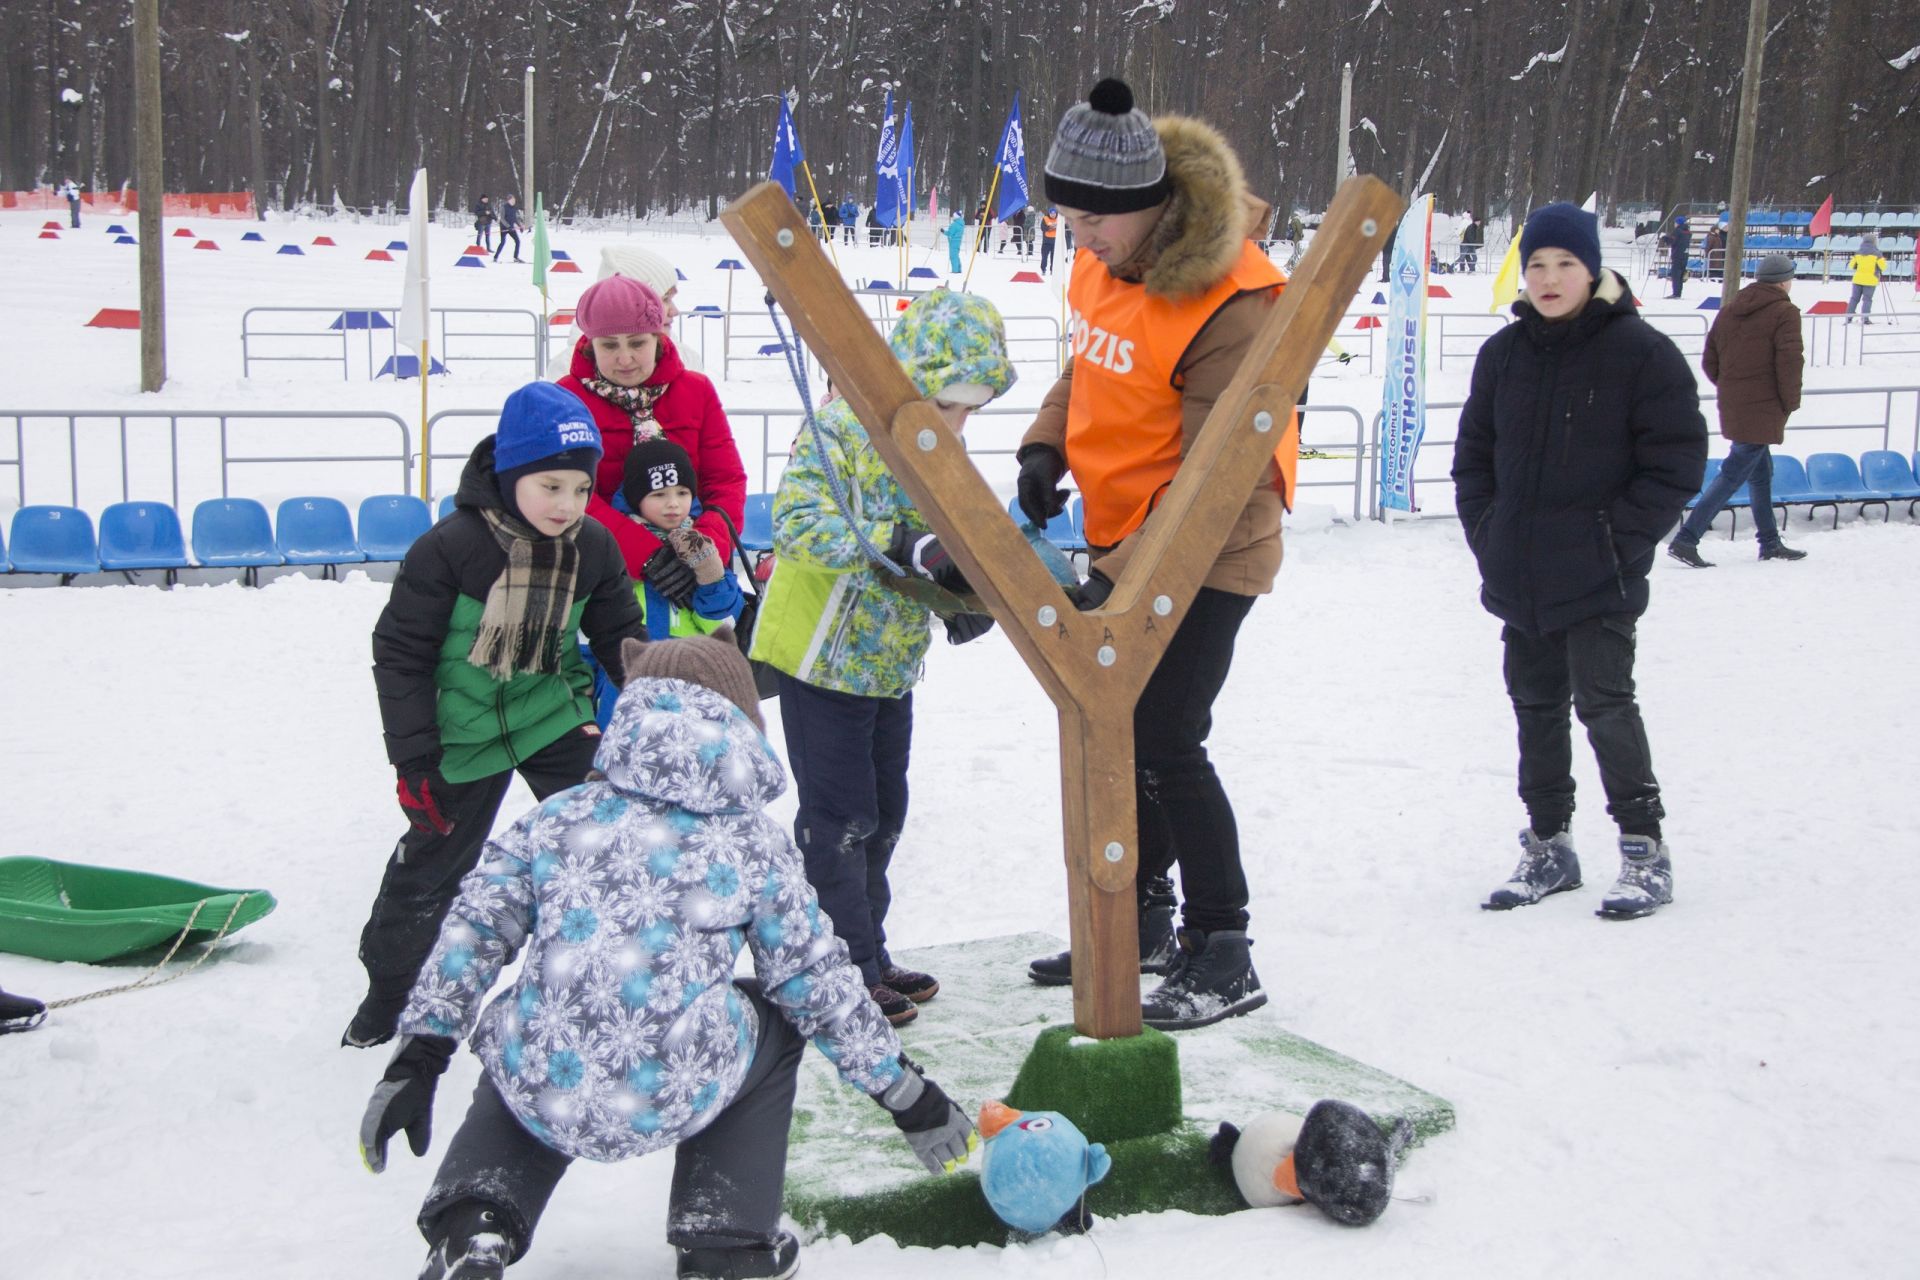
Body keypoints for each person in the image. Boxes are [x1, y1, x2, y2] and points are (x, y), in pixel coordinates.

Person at [357, 631, 978, 1280]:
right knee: (778, 1009)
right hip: (680, 1084)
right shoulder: (753, 845)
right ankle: (727, 1243)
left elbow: (474, 933)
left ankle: (475, 1222)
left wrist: (421, 1053)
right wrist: (905, 1092)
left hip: (546, 1088)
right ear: (742, 720)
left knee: (532, 1021)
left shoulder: (558, 818)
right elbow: (814, 980)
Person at [1015, 77, 1294, 1030]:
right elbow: (1086, 359)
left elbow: (1219, 477)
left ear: (1148, 208)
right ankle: (1139, 922)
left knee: (1167, 736)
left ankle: (1224, 944)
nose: (1077, 236)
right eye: (1066, 216)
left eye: (1093, 219)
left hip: (1214, 546)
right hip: (1128, 537)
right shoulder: (1105, 263)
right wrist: (1047, 445)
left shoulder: (1234, 303)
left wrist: (1118, 575)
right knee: (1120, 737)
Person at [345, 382, 652, 1048]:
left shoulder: (593, 544)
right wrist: (414, 758)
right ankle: (387, 994)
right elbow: (399, 653)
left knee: (602, 847)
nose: (567, 505)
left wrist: (646, 714)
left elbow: (620, 637)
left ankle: (612, 986)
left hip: (546, 710)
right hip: (463, 731)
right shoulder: (452, 548)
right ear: (511, 476)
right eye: (550, 486)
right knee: (433, 869)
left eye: (579, 488)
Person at [750, 288, 1010, 1027]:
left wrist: (961, 596)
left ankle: (868, 946)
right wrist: (899, 546)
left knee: (885, 812)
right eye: (948, 403)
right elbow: (799, 524)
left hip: (887, 661)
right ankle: (841, 967)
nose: (959, 424)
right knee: (840, 817)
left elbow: (943, 543)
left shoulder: (937, 449)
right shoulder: (838, 427)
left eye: (971, 410)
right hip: (821, 655)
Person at [1452, 201, 1707, 922]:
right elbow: (1473, 459)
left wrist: (1613, 541)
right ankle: (1549, 846)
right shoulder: (1503, 355)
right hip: (1520, 573)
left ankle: (1643, 849)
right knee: (1535, 708)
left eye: (1565, 263)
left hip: (1601, 575)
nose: (1549, 277)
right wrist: (1490, 532)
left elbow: (1677, 463)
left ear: (1593, 270)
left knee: (1604, 704)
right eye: (1536, 264)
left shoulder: (1641, 352)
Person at [557, 274, 746, 607]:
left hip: (698, 575)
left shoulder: (696, 391)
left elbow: (725, 482)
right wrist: (643, 554)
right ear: (589, 344)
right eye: (610, 345)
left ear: (657, 337)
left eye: (637, 342)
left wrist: (703, 550)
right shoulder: (566, 400)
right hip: (604, 571)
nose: (625, 358)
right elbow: (571, 493)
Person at [587, 436, 746, 727]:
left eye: (682, 492)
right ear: (636, 497)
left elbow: (723, 627)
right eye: (658, 495)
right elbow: (590, 628)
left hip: (694, 694)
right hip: (624, 694)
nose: (673, 504)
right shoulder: (613, 552)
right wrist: (584, 686)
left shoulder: (701, 545)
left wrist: (712, 577)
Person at [1668, 255, 1809, 568]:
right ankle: (1687, 538)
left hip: (1736, 403)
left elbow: (1710, 360)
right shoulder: (1786, 312)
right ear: (1785, 281)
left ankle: (1769, 542)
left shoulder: (1730, 310)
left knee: (1761, 473)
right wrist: (1789, 401)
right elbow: (1790, 362)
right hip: (1765, 405)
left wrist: (1732, 388)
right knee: (1734, 472)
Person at [1844, 233, 1889, 324]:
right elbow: (1883, 267)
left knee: (1854, 298)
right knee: (1867, 299)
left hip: (1857, 279)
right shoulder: (1877, 253)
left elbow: (1851, 265)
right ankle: (1865, 318)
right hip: (1870, 280)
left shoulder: (1858, 252)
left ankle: (1848, 317)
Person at [1663, 214, 1689, 298]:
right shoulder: (1688, 231)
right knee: (1681, 275)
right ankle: (1678, 293)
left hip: (1677, 255)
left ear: (1678, 223)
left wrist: (1664, 238)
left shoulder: (1677, 231)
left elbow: (1672, 241)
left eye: (1675, 222)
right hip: (1685, 255)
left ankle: (1675, 293)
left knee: (1675, 275)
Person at [494, 195, 522, 263]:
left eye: (514, 200)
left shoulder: (514, 208)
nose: (514, 201)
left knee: (517, 241)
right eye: (512, 200)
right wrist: (508, 226)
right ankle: (495, 257)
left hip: (511, 228)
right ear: (509, 200)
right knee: (503, 242)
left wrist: (520, 225)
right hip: (504, 227)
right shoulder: (504, 207)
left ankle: (516, 257)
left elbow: (515, 218)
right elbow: (502, 219)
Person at [1039, 206, 1060, 274]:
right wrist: (1049, 228)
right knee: (1044, 256)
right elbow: (1042, 228)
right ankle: (1043, 269)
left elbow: (1063, 227)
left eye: (1054, 213)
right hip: (1046, 241)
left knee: (1054, 257)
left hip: (1055, 241)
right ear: (1049, 213)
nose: (1053, 215)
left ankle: (1052, 269)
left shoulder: (1059, 219)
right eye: (1051, 213)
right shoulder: (1045, 218)